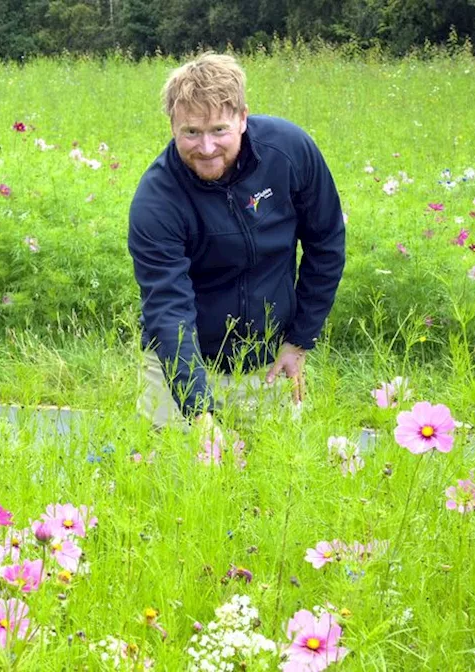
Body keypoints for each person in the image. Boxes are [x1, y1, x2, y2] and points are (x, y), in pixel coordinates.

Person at [127, 53, 346, 429]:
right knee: (176, 477)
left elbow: (325, 242)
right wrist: (198, 412)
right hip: (181, 363)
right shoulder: (157, 200)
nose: (207, 147)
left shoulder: (289, 151)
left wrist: (299, 340)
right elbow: (168, 308)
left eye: (218, 130)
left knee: (271, 481)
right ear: (172, 126)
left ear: (243, 118)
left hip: (268, 363)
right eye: (191, 132)